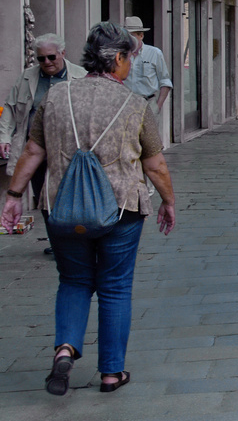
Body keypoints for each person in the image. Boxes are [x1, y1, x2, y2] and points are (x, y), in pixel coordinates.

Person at [1, 22, 175, 395]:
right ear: (118, 59)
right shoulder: (134, 104)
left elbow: (34, 150)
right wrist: (168, 202)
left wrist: (14, 196)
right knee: (114, 287)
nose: (130, 65)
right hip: (122, 209)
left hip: (63, 207)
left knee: (74, 281)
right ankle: (111, 373)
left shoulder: (56, 97)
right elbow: (155, 164)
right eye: (129, 58)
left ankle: (65, 347)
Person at [3, 34, 88, 213]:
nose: (47, 62)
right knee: (44, 198)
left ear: (62, 53)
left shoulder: (82, 76)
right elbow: (10, 109)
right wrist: (4, 137)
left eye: (51, 57)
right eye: (41, 58)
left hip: (70, 151)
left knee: (70, 197)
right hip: (36, 151)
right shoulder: (27, 77)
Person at [122, 16, 172, 114]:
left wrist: (158, 106)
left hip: (148, 103)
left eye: (132, 36)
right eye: (126, 36)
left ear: (141, 35)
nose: (129, 40)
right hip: (125, 104)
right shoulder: (120, 55)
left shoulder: (155, 53)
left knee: (149, 129)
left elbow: (165, 81)